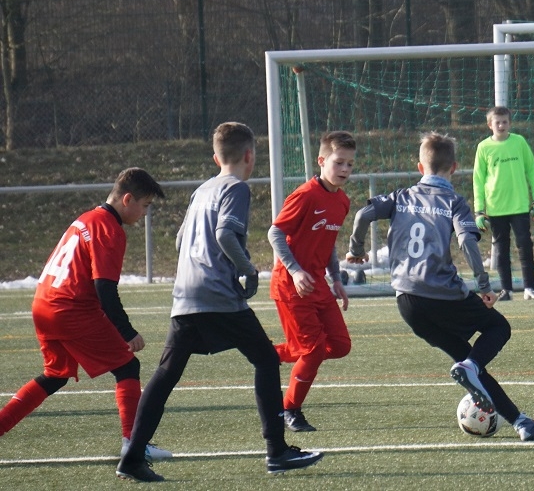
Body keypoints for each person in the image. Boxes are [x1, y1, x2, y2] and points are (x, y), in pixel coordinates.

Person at [116, 122, 323, 482]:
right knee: (265, 359)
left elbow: (180, 241)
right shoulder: (236, 188)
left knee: (165, 375)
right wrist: (248, 270)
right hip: (217, 296)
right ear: (249, 155)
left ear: (216, 158)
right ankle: (277, 451)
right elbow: (225, 233)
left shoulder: (202, 190)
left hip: (186, 295)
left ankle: (132, 457)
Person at [347, 131, 534, 442]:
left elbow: (364, 213)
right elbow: (467, 243)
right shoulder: (453, 202)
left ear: (420, 167)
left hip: (407, 301)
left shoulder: (401, 196)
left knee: (469, 360)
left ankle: (522, 424)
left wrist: (355, 248)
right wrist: (484, 285)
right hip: (443, 294)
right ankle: (477, 374)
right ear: (455, 168)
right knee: (498, 328)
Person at [0, 168, 171, 462]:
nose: (145, 213)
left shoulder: (86, 218)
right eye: (145, 205)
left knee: (55, 376)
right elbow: (104, 288)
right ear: (127, 199)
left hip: (43, 304)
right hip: (69, 308)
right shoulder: (108, 228)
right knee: (127, 365)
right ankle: (134, 444)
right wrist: (127, 332)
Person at [269, 130, 355, 432]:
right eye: (339, 162)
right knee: (314, 350)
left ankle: (269, 355)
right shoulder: (305, 195)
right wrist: (295, 270)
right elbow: (275, 233)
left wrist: (336, 280)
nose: (345, 169)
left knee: (340, 345)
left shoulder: (342, 201)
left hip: (318, 284)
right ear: (321, 161)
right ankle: (290, 409)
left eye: (350, 164)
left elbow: (327, 243)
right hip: (291, 285)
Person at [472, 106, 534, 301]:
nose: (501, 125)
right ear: (490, 125)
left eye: (504, 121)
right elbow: (478, 180)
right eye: (497, 122)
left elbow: (531, 171)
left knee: (525, 245)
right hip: (496, 207)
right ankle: (507, 290)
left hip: (519, 205)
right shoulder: (484, 147)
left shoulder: (519, 142)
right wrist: (479, 210)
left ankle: (530, 288)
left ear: (509, 123)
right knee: (501, 250)